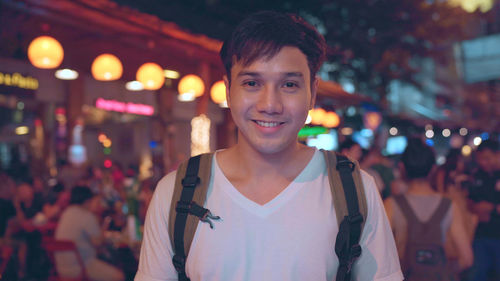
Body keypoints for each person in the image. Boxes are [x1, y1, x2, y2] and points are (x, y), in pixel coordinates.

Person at [135, 11, 402, 281]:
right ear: (229, 91)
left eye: (289, 84)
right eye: (252, 83)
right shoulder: (177, 193)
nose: (270, 105)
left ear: (313, 93)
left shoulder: (353, 190)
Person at [384, 138, 473, 280]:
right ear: (433, 169)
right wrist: (442, 272)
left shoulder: (391, 204)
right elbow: (467, 259)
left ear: (402, 168)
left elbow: (380, 253)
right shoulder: (449, 205)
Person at [55, 185, 124, 281]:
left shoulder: (66, 213)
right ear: (87, 200)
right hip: (81, 267)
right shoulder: (86, 215)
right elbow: (98, 243)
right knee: (119, 276)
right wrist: (105, 226)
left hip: (62, 269)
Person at [467, 139, 500, 281]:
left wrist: (491, 209)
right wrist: (476, 208)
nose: (483, 163)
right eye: (480, 159)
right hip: (481, 235)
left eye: (487, 158)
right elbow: (470, 201)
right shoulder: (478, 175)